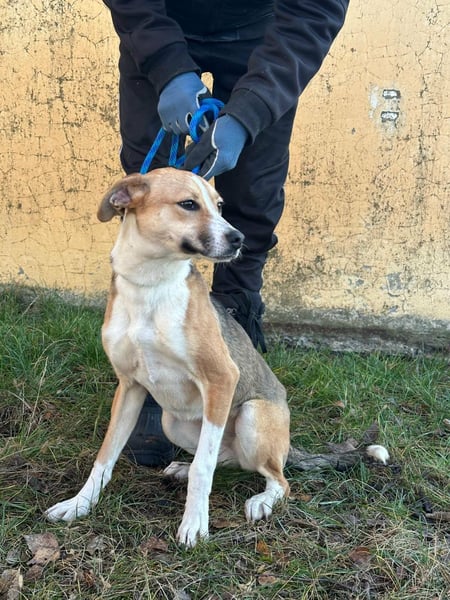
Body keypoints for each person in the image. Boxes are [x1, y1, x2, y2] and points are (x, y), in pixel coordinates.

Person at [103, 0, 349, 466]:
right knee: (152, 189)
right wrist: (165, 65)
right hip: (158, 22)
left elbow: (314, 12)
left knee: (252, 198)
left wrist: (248, 114)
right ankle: (150, 364)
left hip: (265, 32)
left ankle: (231, 344)